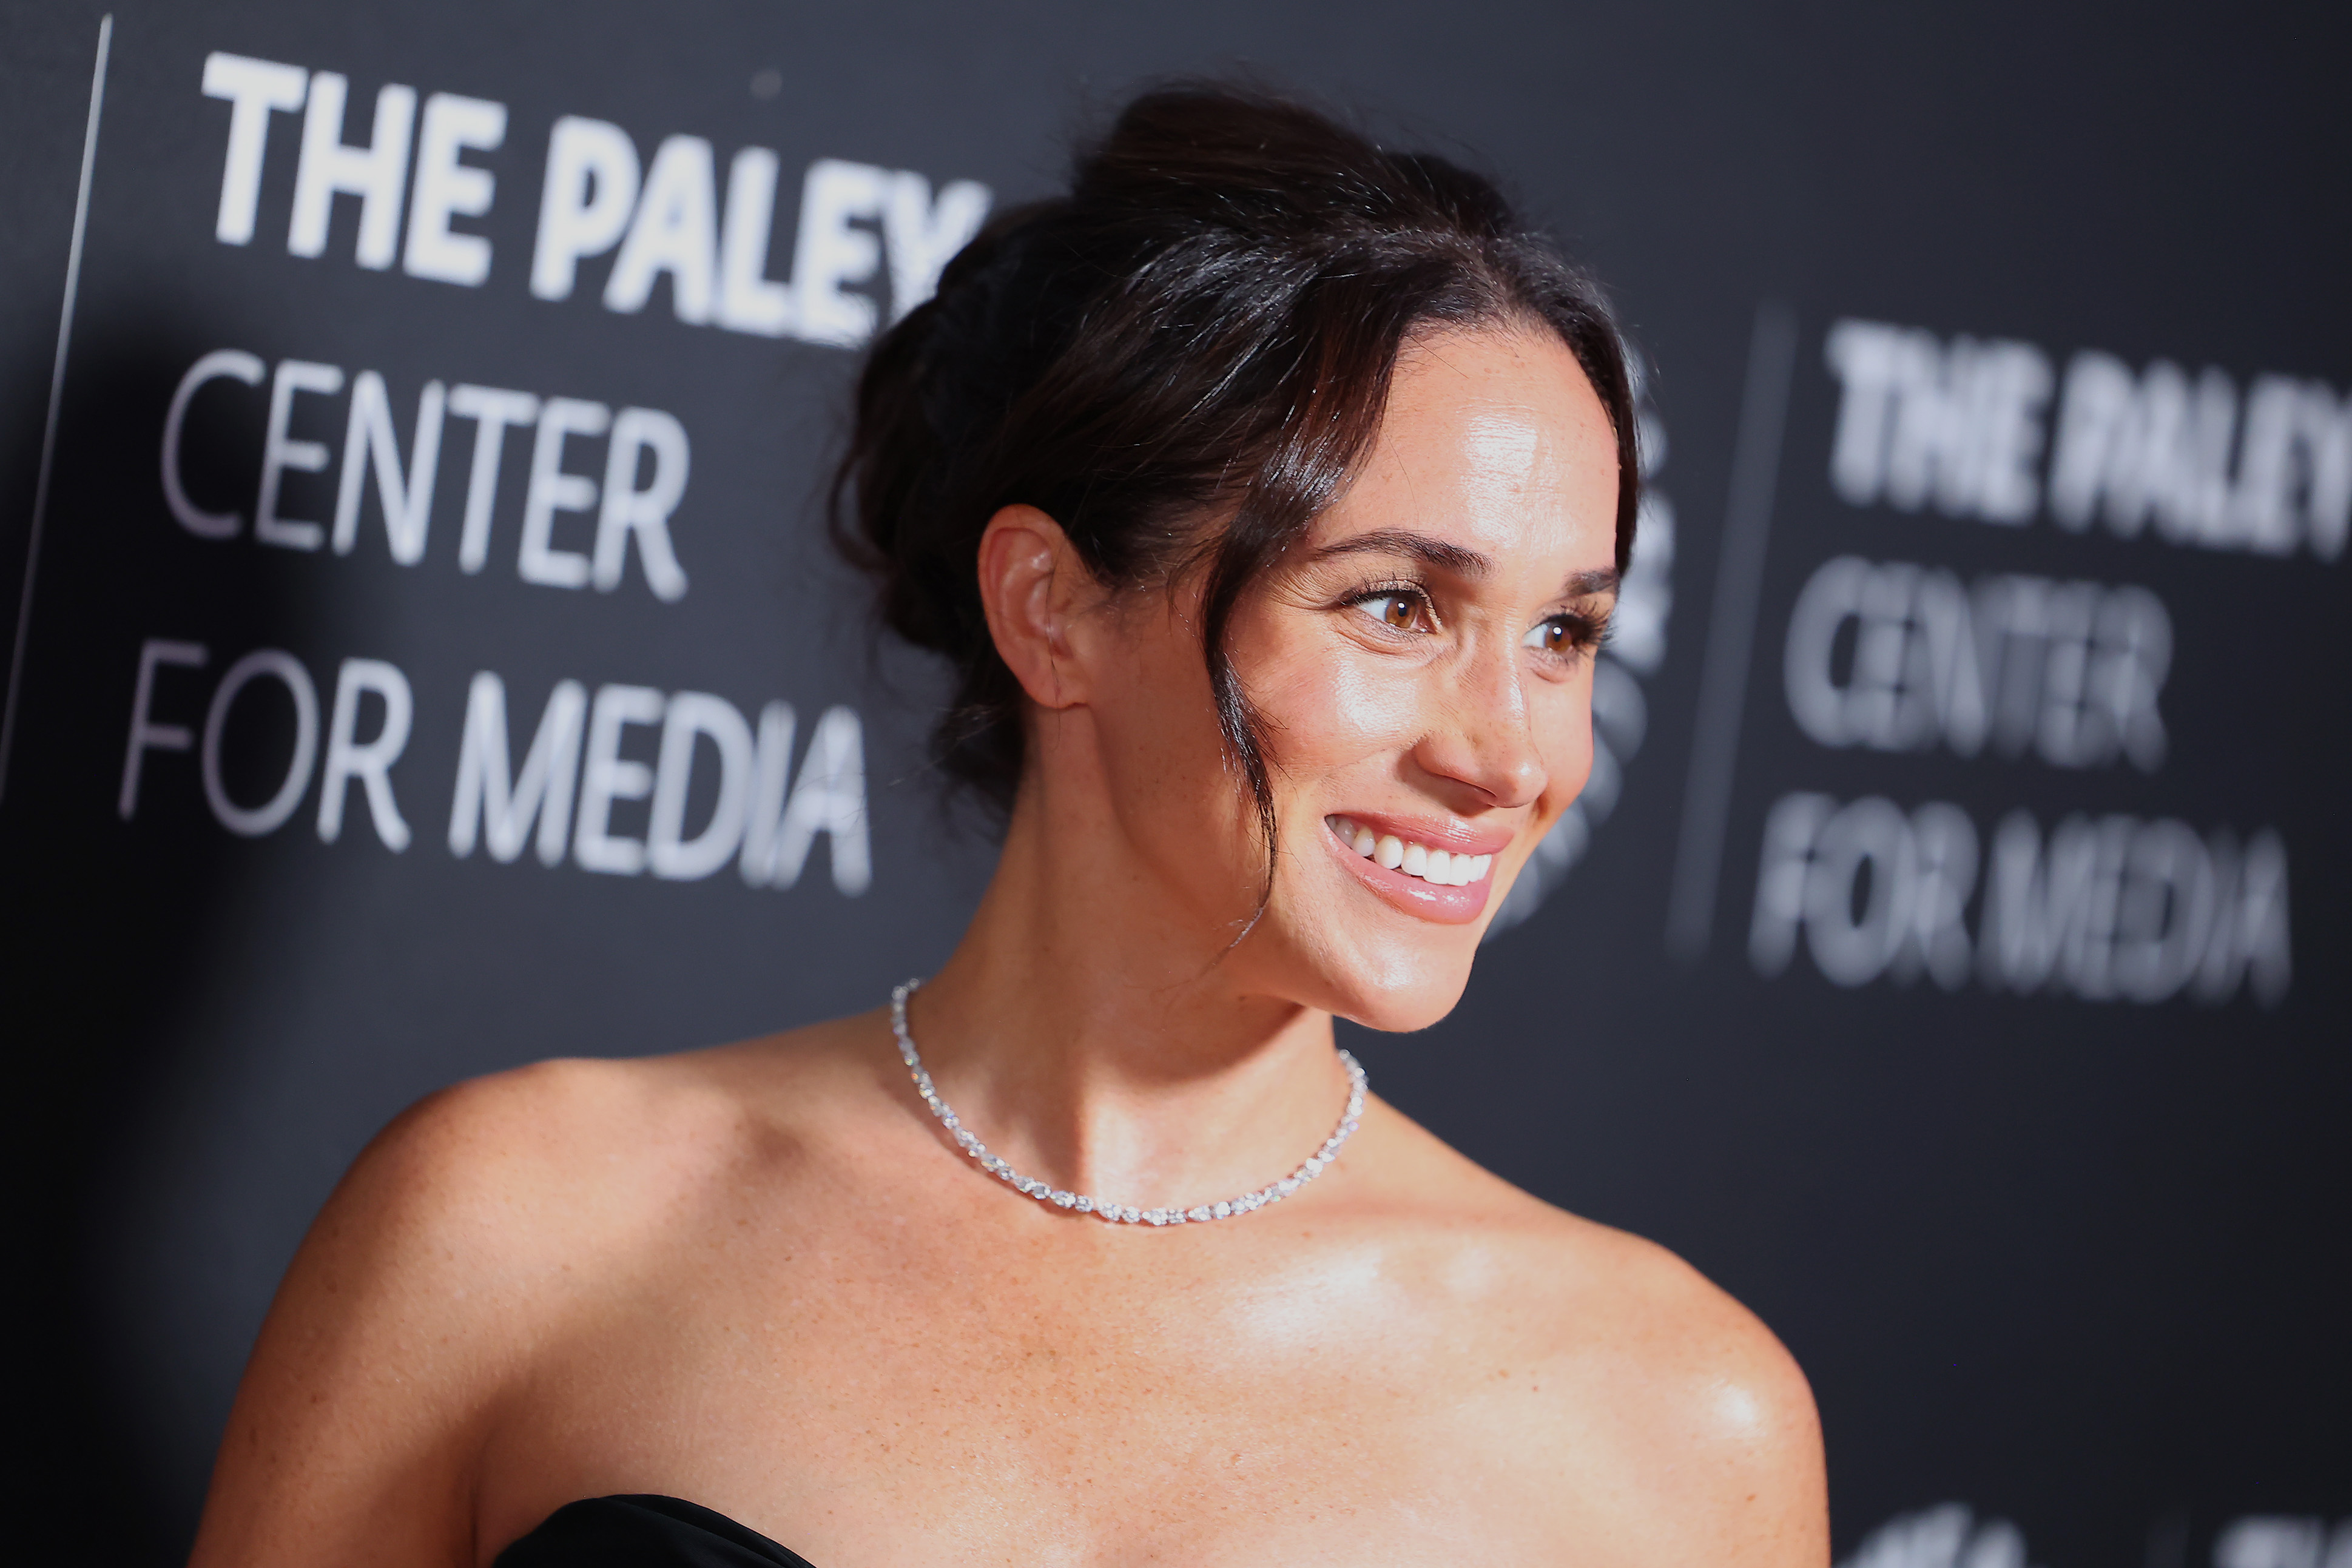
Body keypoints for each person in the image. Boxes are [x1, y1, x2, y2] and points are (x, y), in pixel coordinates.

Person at [188, 85, 1827, 1567]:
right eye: (1397, 604)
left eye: (1567, 632)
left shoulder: (1681, 1422)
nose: (1515, 749)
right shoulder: (512, 1225)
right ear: (1053, 610)